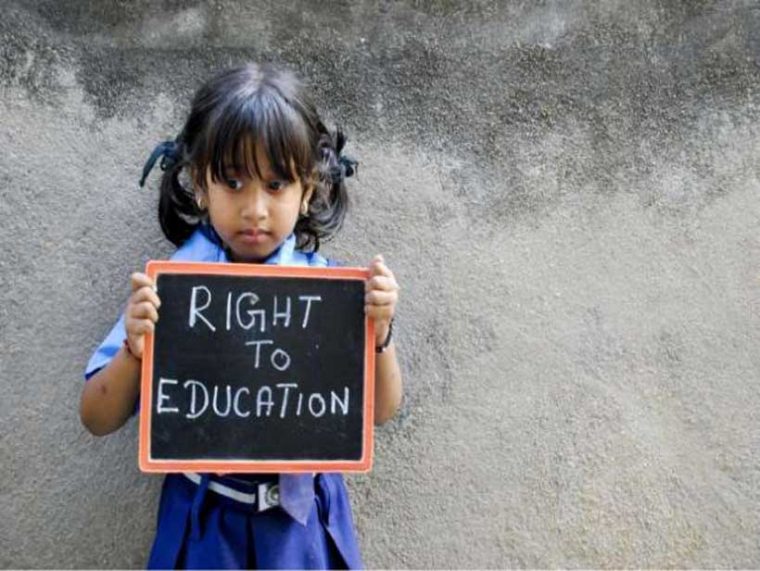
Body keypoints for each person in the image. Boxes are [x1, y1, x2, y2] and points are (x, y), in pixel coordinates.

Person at [79, 63, 403, 570]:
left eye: (276, 185)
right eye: (233, 182)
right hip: (204, 525)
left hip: (303, 529)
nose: (254, 208)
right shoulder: (172, 290)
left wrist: (379, 333)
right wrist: (134, 349)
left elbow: (379, 411)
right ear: (200, 184)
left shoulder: (329, 292)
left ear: (309, 188)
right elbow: (97, 417)